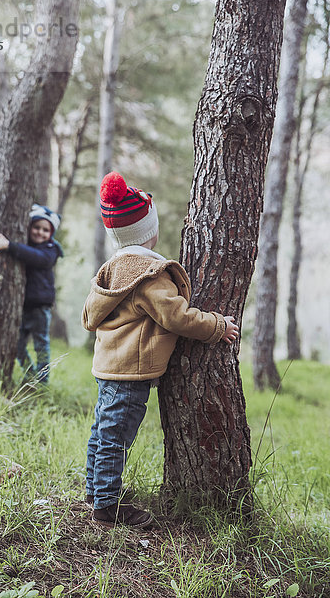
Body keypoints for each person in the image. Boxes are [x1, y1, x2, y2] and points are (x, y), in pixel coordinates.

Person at [82, 172, 239, 529]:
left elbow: (89, 316)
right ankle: (106, 505)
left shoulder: (113, 269)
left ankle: (94, 490)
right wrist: (216, 326)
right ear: (147, 232)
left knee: (102, 431)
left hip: (109, 366)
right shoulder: (149, 276)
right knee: (115, 435)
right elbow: (176, 316)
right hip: (130, 372)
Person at [0, 204, 63, 383]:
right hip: (20, 306)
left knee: (41, 344)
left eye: (46, 230)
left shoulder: (51, 249)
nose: (40, 233)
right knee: (17, 344)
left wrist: (9, 245)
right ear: (28, 227)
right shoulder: (23, 246)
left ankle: (42, 381)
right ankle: (30, 376)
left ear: (51, 233)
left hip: (40, 306)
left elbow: (39, 258)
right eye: (36, 227)